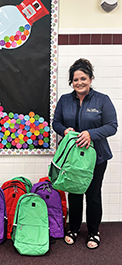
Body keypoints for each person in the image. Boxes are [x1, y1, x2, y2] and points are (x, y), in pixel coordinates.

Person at [52, 58, 117, 249]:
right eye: (75, 79)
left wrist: (91, 134)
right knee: (74, 192)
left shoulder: (102, 100)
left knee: (93, 194)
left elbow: (112, 126)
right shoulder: (65, 100)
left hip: (97, 158)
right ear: (71, 82)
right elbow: (56, 123)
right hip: (71, 158)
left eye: (83, 78)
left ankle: (94, 232)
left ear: (90, 79)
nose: (79, 82)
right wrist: (64, 131)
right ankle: (73, 229)